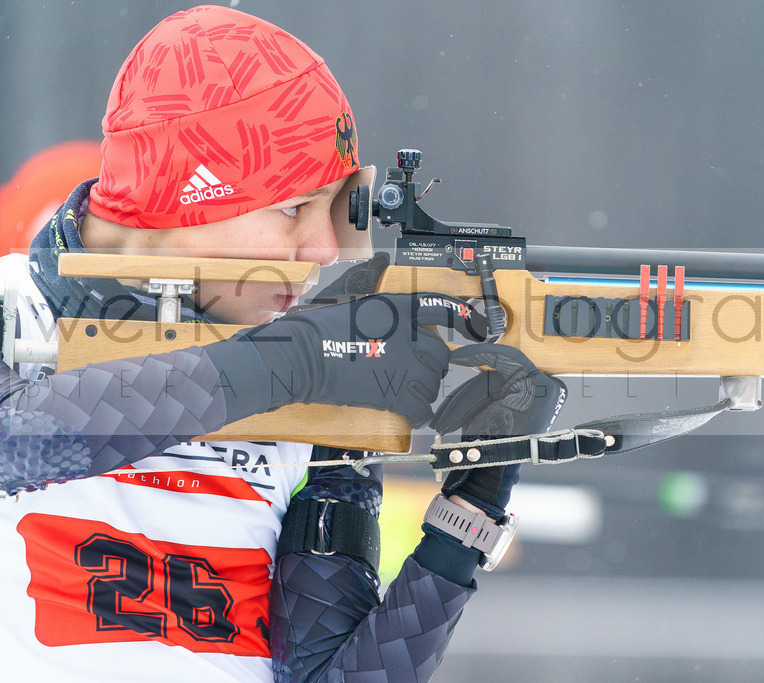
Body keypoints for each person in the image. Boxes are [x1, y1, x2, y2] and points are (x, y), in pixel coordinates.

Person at [0, 6, 550, 681]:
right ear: (188, 198)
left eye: (333, 210)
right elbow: (18, 436)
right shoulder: (13, 311)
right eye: (293, 208)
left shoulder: (320, 395)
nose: (321, 250)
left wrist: (471, 509)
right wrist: (293, 361)